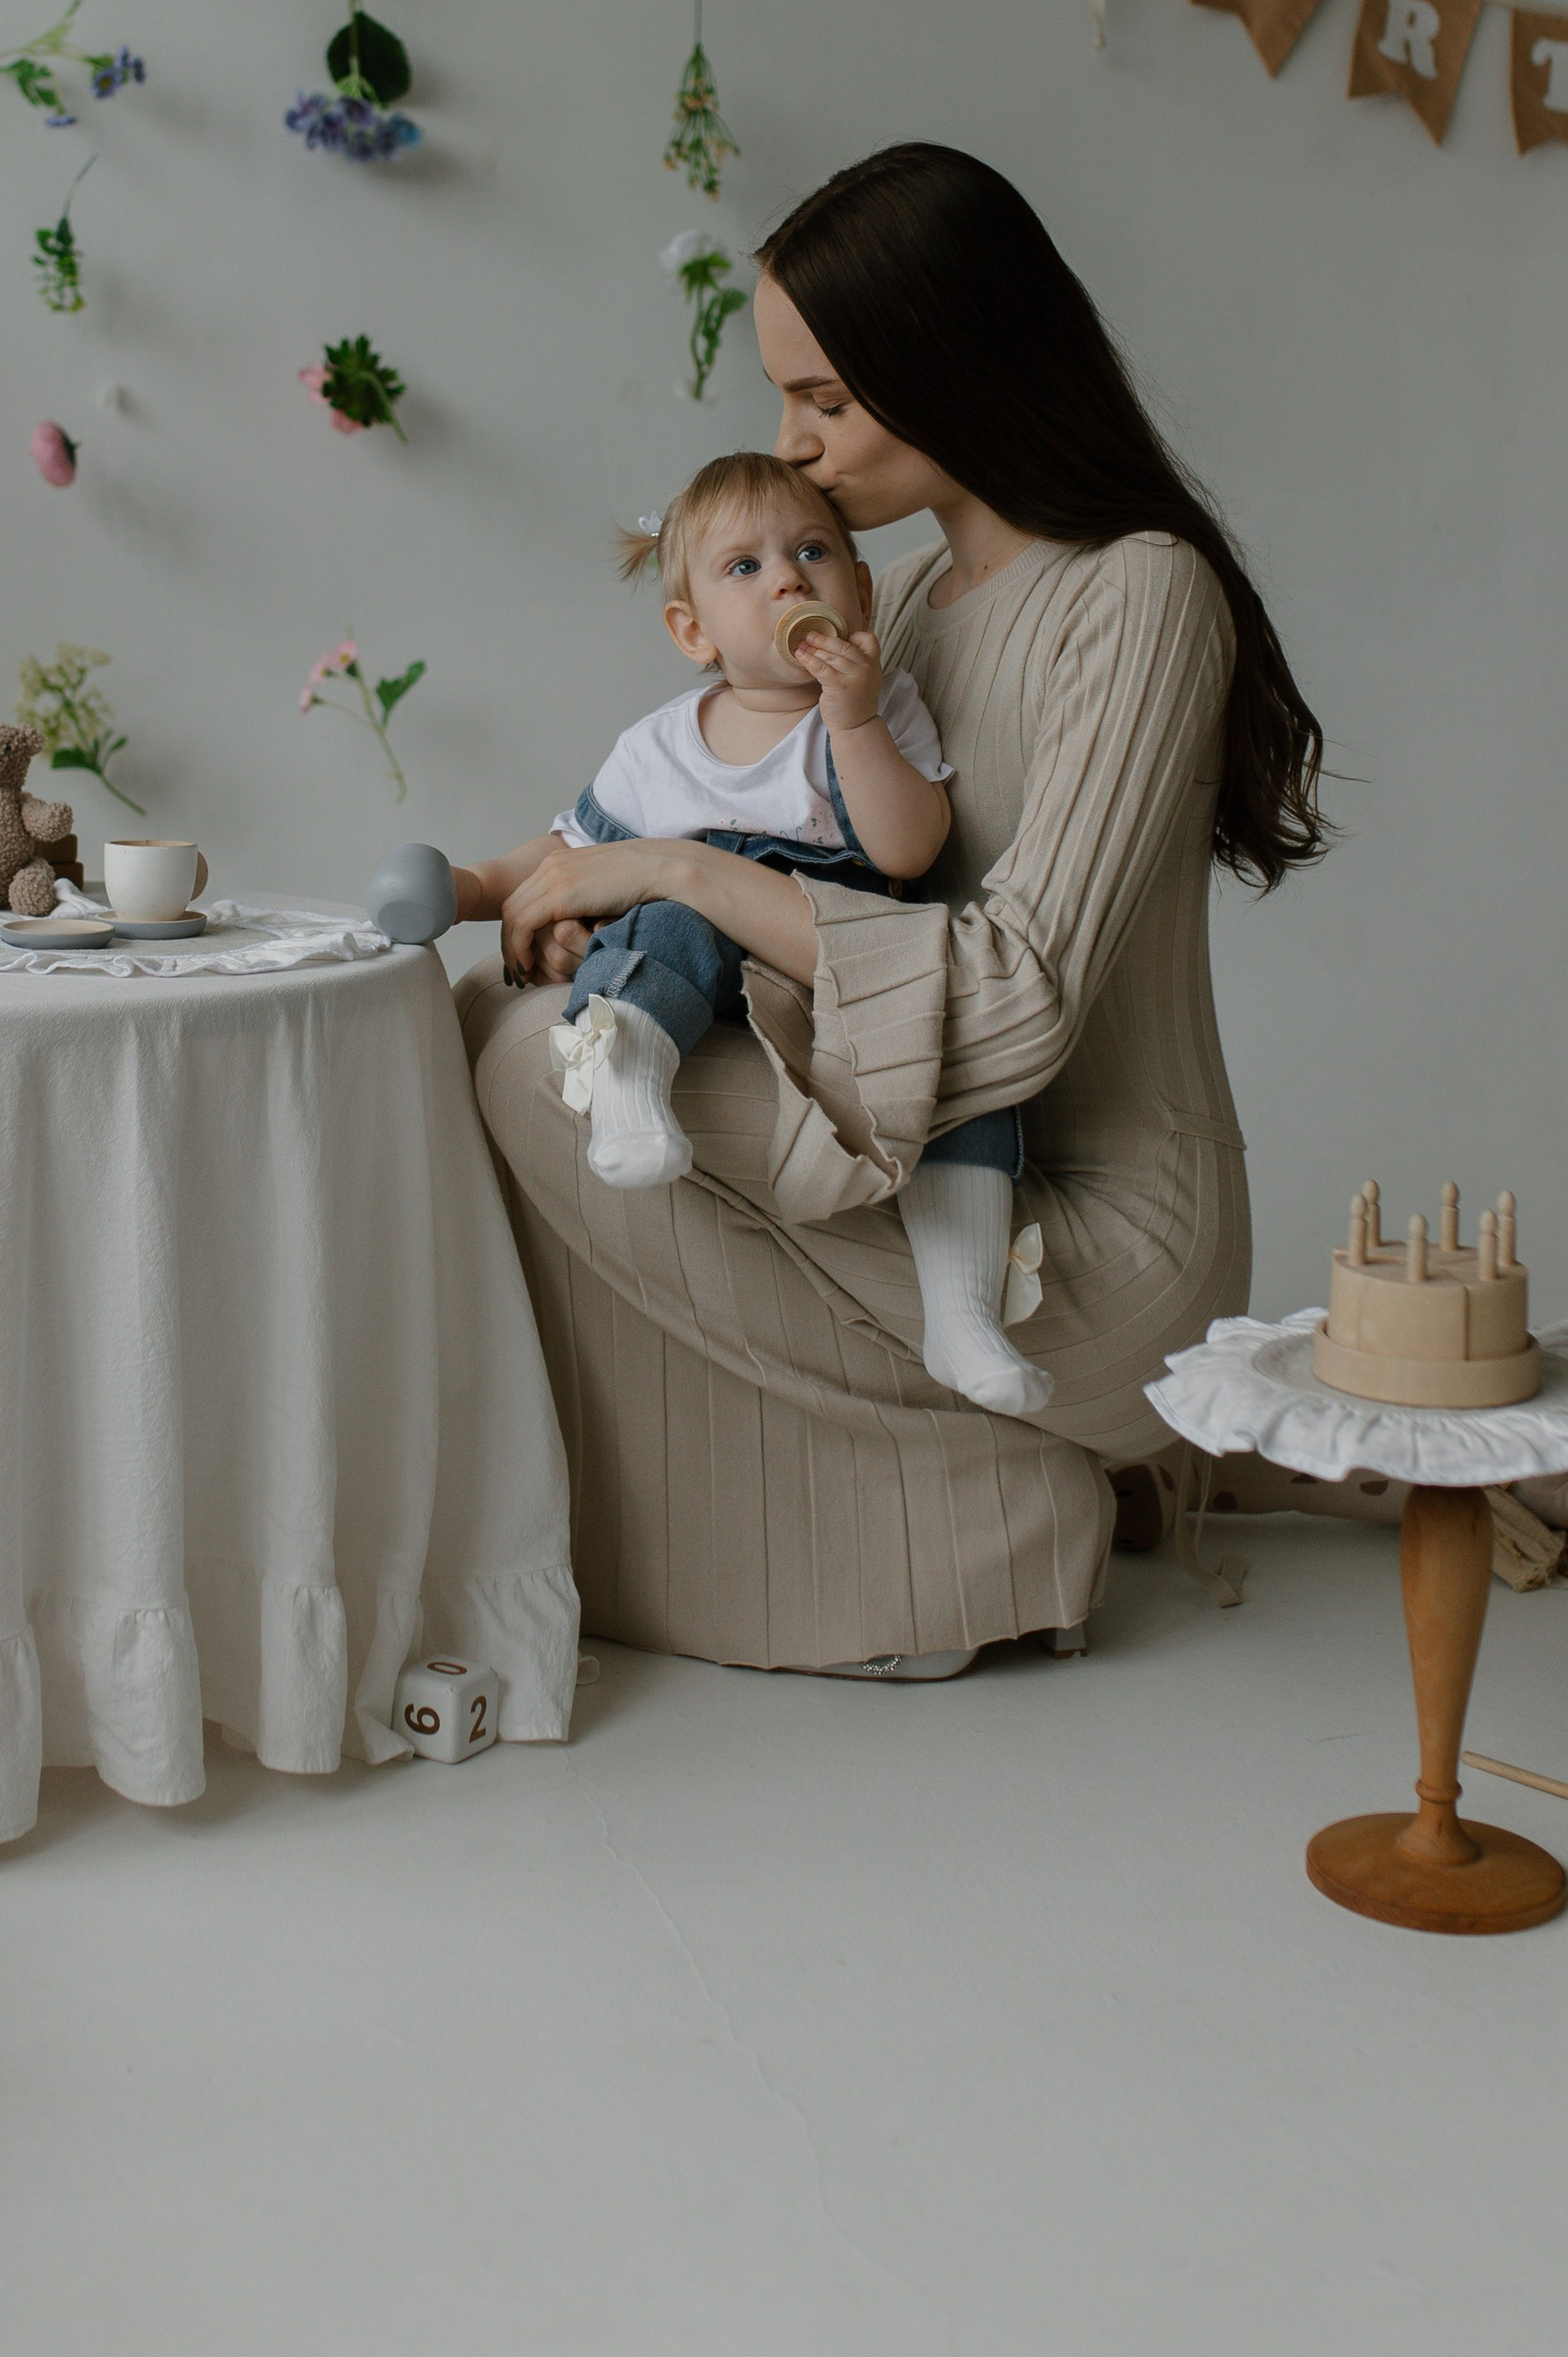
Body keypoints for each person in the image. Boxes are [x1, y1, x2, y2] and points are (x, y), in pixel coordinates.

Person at [463, 138, 1329, 1675]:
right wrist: (604, 914)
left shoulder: (1139, 595)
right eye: (790, 398)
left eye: (828, 403)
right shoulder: (905, 601)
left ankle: (1003, 1498)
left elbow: (1018, 995)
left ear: (960, 366)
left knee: (549, 1070)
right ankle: (967, 1492)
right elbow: (793, 858)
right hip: (909, 1134)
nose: (792, 452)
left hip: (1087, 1224)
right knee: (524, 1018)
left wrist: (665, 872)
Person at [448, 449, 1048, 1420]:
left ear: (857, 590)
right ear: (692, 631)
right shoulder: (660, 746)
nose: (786, 578)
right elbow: (568, 850)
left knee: (955, 1052)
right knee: (669, 915)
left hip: (842, 961)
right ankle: (630, 1086)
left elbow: (908, 848)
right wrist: (473, 884)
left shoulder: (880, 709)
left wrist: (853, 720)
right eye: (744, 568)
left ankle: (963, 1309)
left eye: (812, 551)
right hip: (704, 969)